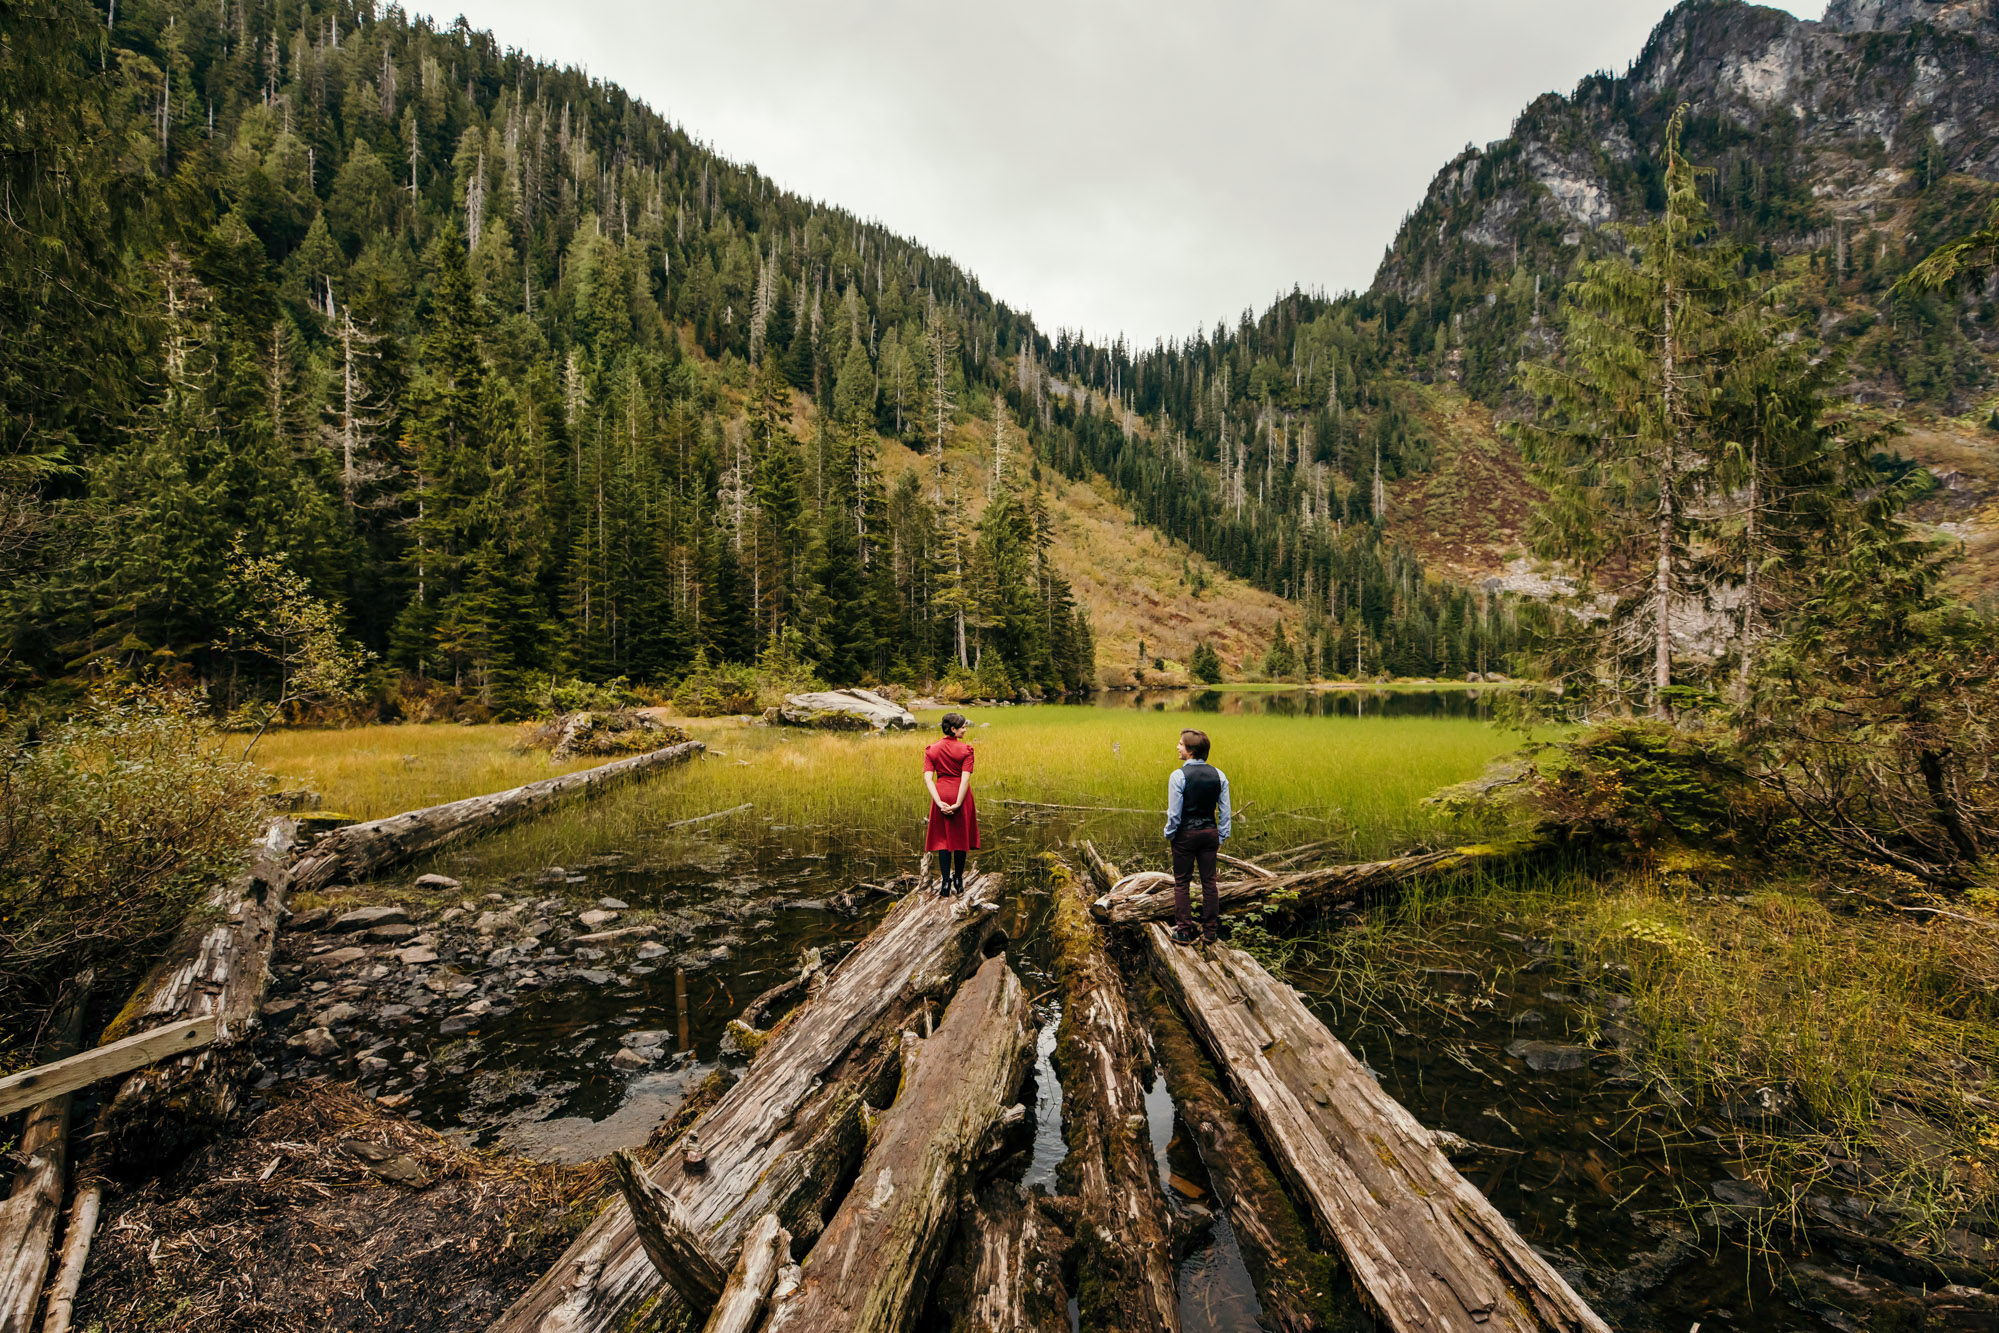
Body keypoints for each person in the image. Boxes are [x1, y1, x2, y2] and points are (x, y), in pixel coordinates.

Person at [1163, 727, 1231, 944]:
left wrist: (1170, 834)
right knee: (1209, 882)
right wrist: (1221, 836)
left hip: (1185, 834)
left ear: (1190, 751)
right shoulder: (1219, 775)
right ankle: (1210, 932)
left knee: (1182, 882)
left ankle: (1183, 931)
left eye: (1180, 744)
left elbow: (1174, 814)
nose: (1177, 747)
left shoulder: (1178, 776)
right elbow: (1225, 811)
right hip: (1210, 833)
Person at [923, 712, 980, 896]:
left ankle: (945, 883)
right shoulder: (966, 750)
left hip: (941, 793)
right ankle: (959, 880)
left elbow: (928, 779)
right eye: (962, 726)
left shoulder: (932, 750)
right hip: (960, 796)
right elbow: (964, 780)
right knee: (960, 839)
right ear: (953, 729)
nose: (965, 729)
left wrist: (939, 801)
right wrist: (957, 803)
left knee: (943, 840)